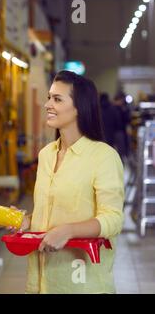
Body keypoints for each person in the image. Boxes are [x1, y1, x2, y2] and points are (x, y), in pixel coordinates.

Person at [19, 71, 124, 293]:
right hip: (42, 280)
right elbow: (50, 210)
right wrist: (28, 221)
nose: (48, 104)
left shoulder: (103, 156)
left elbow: (113, 219)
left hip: (82, 283)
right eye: (49, 97)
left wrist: (69, 230)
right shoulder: (47, 154)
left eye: (57, 99)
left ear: (79, 108)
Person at [113, 92, 131, 161]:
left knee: (121, 150)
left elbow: (127, 119)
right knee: (119, 150)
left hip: (121, 131)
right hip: (117, 131)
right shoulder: (114, 109)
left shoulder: (123, 109)